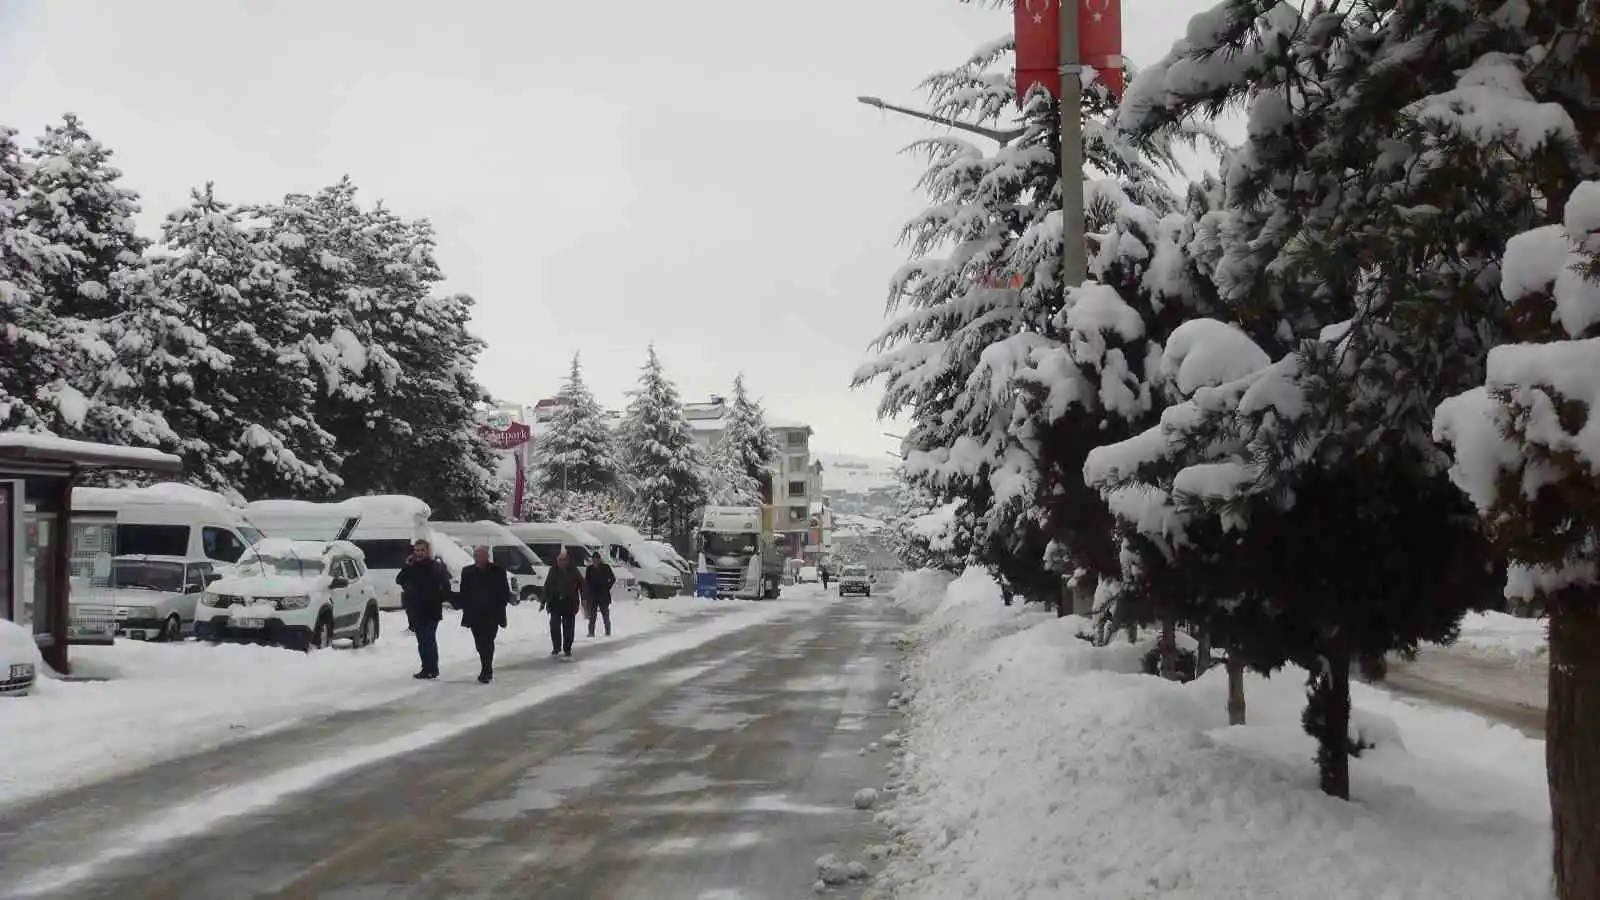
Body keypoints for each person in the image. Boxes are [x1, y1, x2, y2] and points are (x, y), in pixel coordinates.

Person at [396, 539, 451, 680]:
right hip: (416, 609)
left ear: (427, 551)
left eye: (422, 550)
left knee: (429, 638)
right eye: (417, 550)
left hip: (431, 609)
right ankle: (426, 667)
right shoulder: (412, 567)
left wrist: (439, 598)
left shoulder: (435, 567)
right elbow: (399, 580)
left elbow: (446, 586)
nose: (419, 553)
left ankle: (433, 668)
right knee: (422, 640)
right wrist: (406, 565)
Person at [459, 545, 511, 683]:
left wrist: (499, 605)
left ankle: (486, 670)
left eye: (481, 556)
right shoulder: (468, 572)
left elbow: (505, 592)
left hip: (492, 614)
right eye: (476, 556)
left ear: (487, 557)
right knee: (479, 644)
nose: (478, 558)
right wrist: (464, 605)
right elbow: (464, 592)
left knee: (487, 642)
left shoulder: (498, 571)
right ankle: (486, 666)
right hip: (474, 614)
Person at [543, 550, 583, 660]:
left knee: (568, 627)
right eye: (559, 560)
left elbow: (582, 585)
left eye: (563, 560)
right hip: (555, 602)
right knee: (554, 625)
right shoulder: (553, 570)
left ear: (567, 561)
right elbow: (547, 586)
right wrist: (543, 601)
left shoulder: (573, 571)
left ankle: (567, 648)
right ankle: (556, 647)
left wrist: (584, 600)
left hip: (569, 603)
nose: (561, 562)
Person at [585, 553, 616, 638]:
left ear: (599, 560)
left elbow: (613, 579)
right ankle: (591, 632)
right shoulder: (590, 569)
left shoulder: (605, 567)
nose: (595, 561)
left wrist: (607, 587)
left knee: (605, 614)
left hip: (603, 594)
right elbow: (587, 581)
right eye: (594, 560)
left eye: (597, 560)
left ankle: (607, 631)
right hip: (593, 595)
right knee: (592, 615)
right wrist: (588, 592)